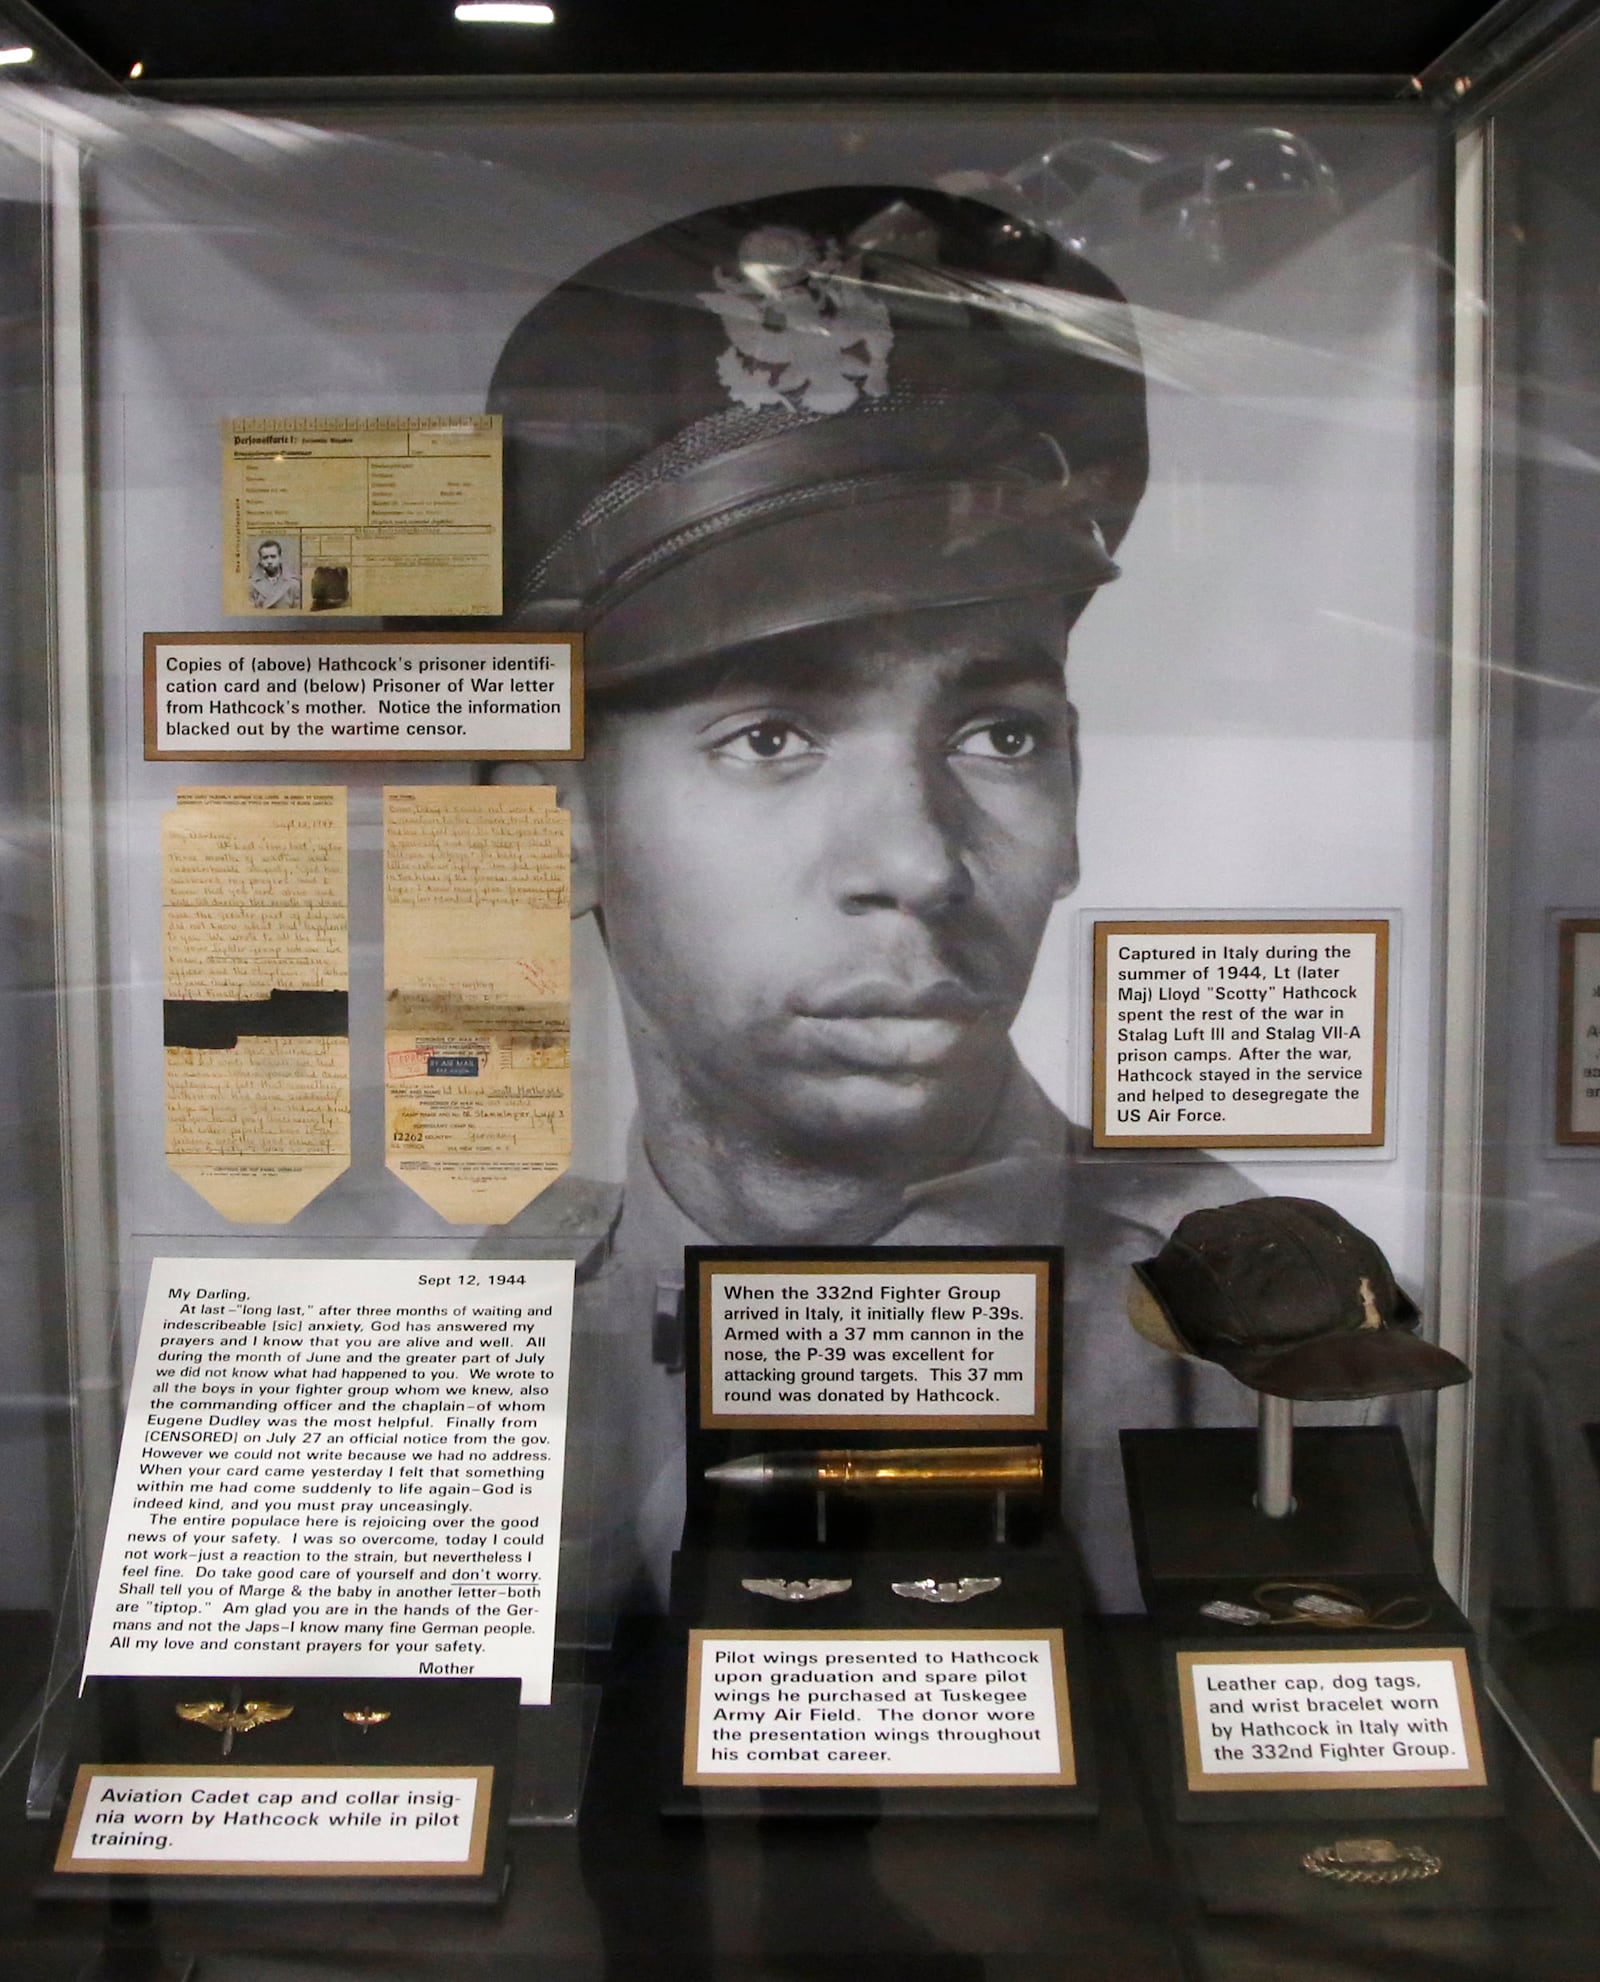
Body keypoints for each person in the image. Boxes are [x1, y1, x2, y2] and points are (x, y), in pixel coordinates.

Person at [480, 185, 1374, 1617]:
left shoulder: (1254, 1339)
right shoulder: (495, 1332)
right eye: (768, 733)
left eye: (999, 734)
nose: (916, 860)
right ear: (568, 816)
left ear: (1073, 804)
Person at [248, 536, 300, 610]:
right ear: (260, 560)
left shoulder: (293, 585)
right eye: (265, 557)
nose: (269, 561)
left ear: (280, 558)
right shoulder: (251, 585)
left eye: (273, 557)